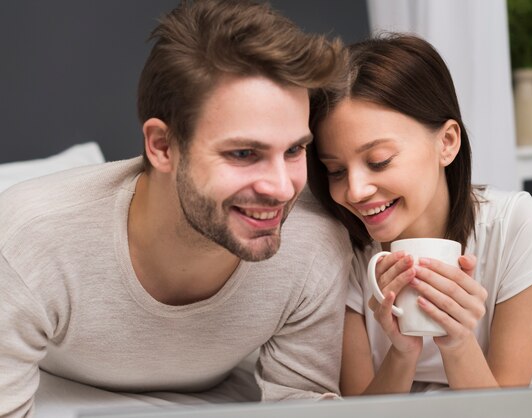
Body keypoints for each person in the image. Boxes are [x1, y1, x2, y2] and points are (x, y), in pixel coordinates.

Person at [0, 1, 353, 416]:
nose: (281, 188)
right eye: (243, 153)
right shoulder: (31, 240)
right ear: (162, 146)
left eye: (294, 149)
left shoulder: (314, 246)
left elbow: (303, 404)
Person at [307, 34, 532, 395]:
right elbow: (361, 410)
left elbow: (501, 412)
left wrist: (458, 341)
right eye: (336, 171)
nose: (354, 191)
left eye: (378, 161)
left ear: (447, 142)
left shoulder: (520, 228)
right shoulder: (337, 244)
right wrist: (401, 353)